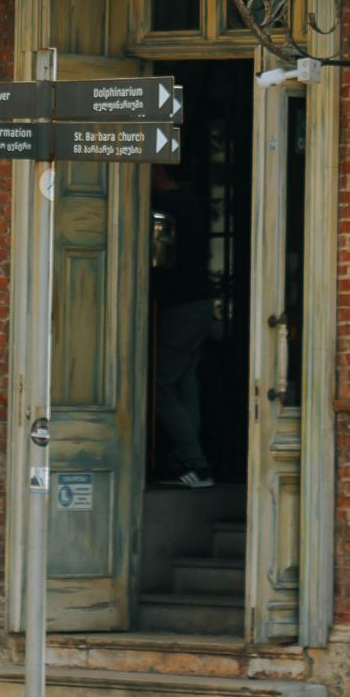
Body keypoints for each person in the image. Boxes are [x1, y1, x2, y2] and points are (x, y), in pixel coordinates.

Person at [150, 159, 214, 488]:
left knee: (161, 386)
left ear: (159, 170)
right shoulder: (193, 201)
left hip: (181, 305)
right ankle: (187, 462)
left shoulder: (162, 205)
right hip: (200, 302)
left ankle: (195, 462)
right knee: (185, 383)